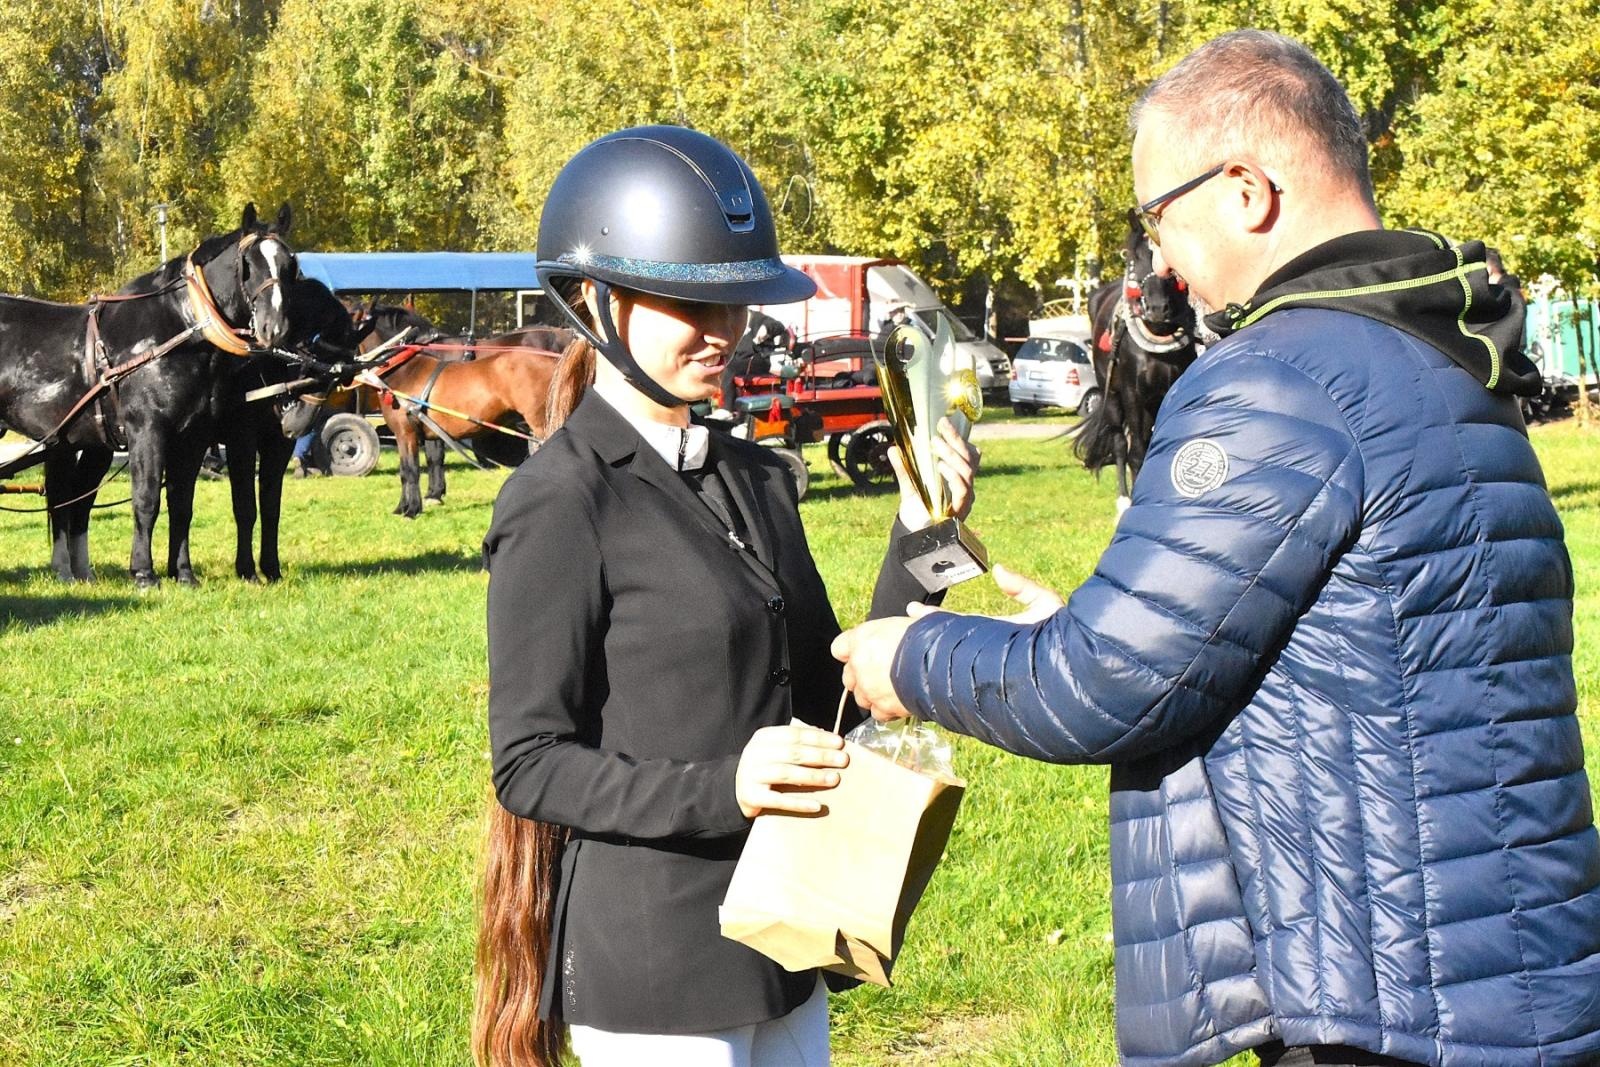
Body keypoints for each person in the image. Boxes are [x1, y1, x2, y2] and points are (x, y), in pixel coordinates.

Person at [833, 30, 1600, 1067]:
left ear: (1245, 189)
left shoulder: (1276, 378)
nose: (1160, 265)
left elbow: (1107, 681)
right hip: (1497, 961)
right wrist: (1098, 618)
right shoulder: (1444, 359)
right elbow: (1355, 644)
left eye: (1158, 217)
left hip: (1382, 1003)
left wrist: (913, 659)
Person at [474, 126, 978, 1067]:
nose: (723, 333)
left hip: (785, 939)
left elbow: (836, 696)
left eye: (735, 305)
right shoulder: (557, 501)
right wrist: (727, 785)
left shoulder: (756, 476)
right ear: (596, 300)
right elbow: (531, 763)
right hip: (655, 966)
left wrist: (923, 532)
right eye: (688, 302)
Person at [718, 309, 792, 414]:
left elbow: (778, 326)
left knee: (730, 368)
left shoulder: (759, 319)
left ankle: (726, 409)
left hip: (758, 360)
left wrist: (766, 329)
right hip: (741, 359)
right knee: (722, 363)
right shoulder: (734, 323)